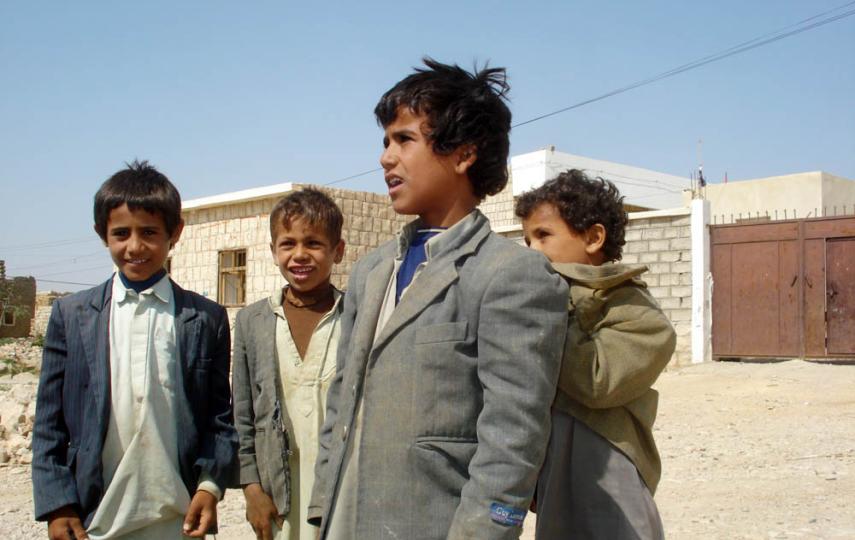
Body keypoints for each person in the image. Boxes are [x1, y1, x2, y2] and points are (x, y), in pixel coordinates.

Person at [308, 58, 569, 540]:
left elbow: (513, 441)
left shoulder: (510, 276)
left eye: (405, 139)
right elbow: (341, 403)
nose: (386, 157)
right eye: (385, 141)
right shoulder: (370, 271)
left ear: (464, 154)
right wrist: (323, 506)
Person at [32, 160, 238, 540]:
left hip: (178, 518)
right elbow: (49, 422)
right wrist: (57, 503)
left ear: (174, 232)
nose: (135, 246)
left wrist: (210, 486)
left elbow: (219, 418)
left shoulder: (205, 318)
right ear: (102, 234)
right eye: (121, 233)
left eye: (149, 232)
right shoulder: (73, 315)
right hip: (94, 517)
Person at [515, 169, 676, 540]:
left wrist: (545, 309)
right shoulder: (545, 299)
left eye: (543, 236)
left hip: (609, 470)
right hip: (553, 474)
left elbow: (597, 380)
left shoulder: (637, 313)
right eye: (527, 241)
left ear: (593, 238)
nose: (533, 251)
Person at [232, 188, 346, 540]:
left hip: (342, 491)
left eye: (313, 243)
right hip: (277, 496)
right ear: (272, 251)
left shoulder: (358, 316)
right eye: (288, 244)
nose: (299, 255)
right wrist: (252, 488)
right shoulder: (253, 321)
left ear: (337, 251)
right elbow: (244, 416)